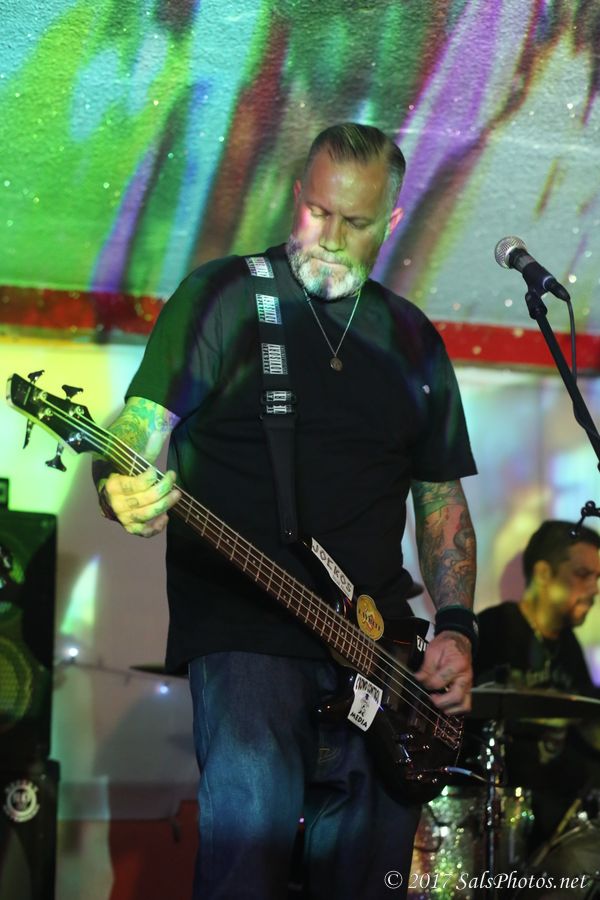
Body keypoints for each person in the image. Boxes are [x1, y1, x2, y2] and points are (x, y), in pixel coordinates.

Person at [93, 123, 478, 899]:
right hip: (248, 632)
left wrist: (458, 625)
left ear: (391, 222)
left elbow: (440, 499)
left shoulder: (413, 341)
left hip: (381, 655)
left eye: (355, 222)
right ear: (298, 194)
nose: (329, 236)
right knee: (246, 871)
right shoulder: (224, 297)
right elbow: (140, 424)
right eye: (317, 211)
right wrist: (116, 480)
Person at [474, 520, 600, 850]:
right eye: (583, 575)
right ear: (543, 573)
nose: (594, 589)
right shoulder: (495, 627)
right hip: (494, 808)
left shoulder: (568, 646)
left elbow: (589, 725)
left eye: (597, 578)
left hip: (556, 816)